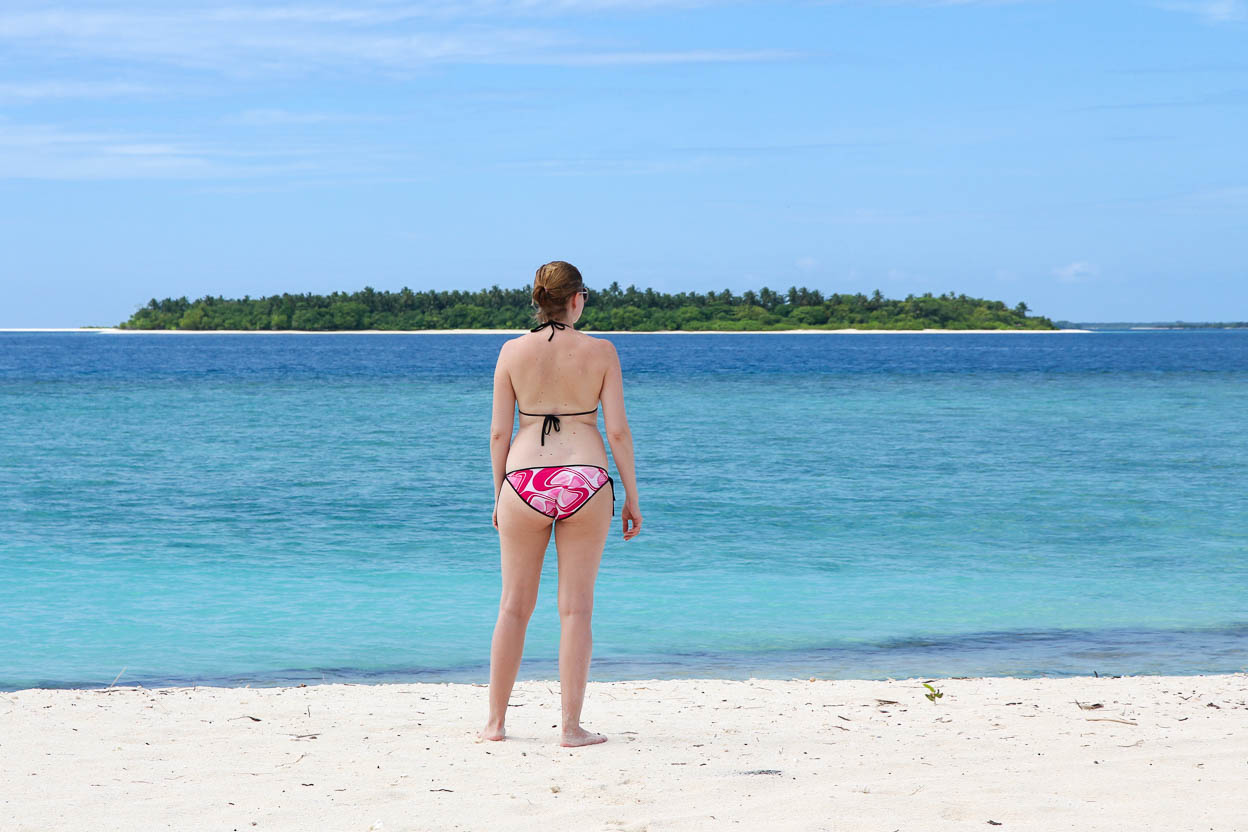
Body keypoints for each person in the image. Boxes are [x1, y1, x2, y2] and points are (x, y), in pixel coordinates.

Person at [478, 261, 642, 748]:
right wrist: (632, 494)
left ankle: (495, 724)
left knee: (513, 607)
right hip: (586, 479)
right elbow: (616, 430)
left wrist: (499, 494)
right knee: (575, 610)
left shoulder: (511, 351)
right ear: (577, 299)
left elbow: (497, 433)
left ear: (539, 299)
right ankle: (570, 728)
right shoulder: (602, 351)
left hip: (522, 479)